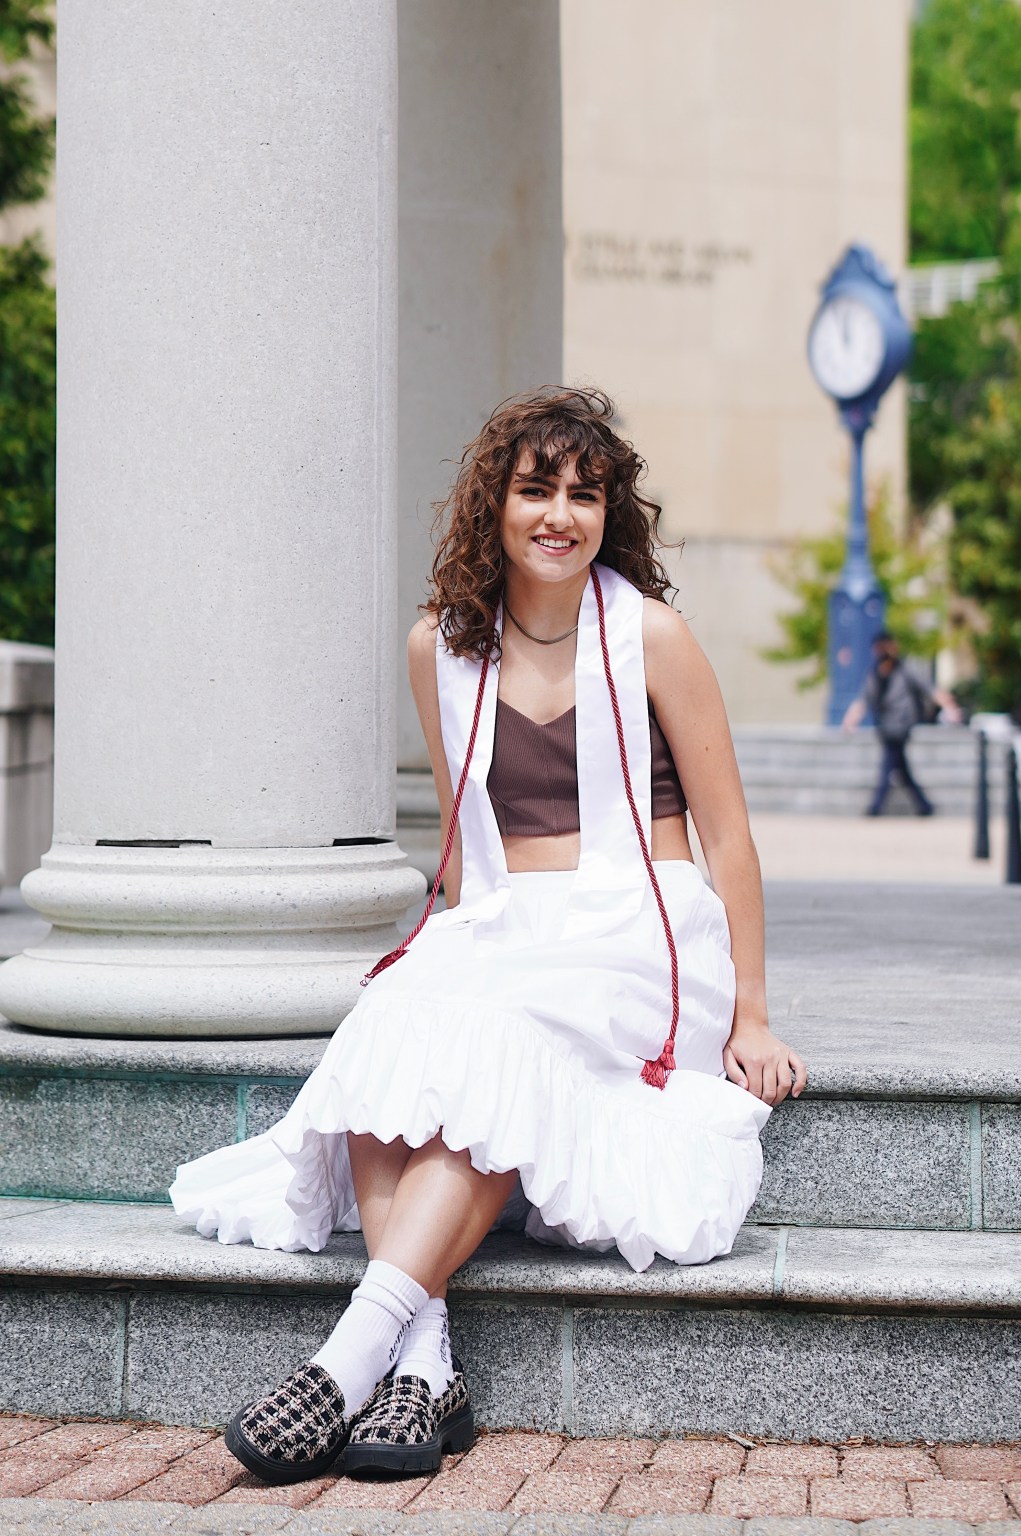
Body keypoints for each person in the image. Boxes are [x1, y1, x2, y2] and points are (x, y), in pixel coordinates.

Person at [170, 388, 807, 1486]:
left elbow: (729, 839)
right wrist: (439, 959)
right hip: (510, 918)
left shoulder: (652, 637)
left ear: (610, 514)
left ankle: (345, 1359)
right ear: (494, 506)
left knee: (497, 1034)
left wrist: (750, 1012)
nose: (560, 514)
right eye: (535, 490)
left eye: (585, 494)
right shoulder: (440, 646)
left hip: (638, 928)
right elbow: (467, 843)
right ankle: (425, 1366)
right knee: (397, 1023)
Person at [842, 631, 959, 816]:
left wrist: (950, 708)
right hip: (885, 728)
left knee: (889, 765)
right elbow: (864, 699)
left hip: (901, 726)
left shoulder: (905, 670)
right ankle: (924, 807)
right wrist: (851, 719)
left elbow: (930, 689)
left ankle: (876, 807)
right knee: (900, 768)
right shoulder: (875, 674)